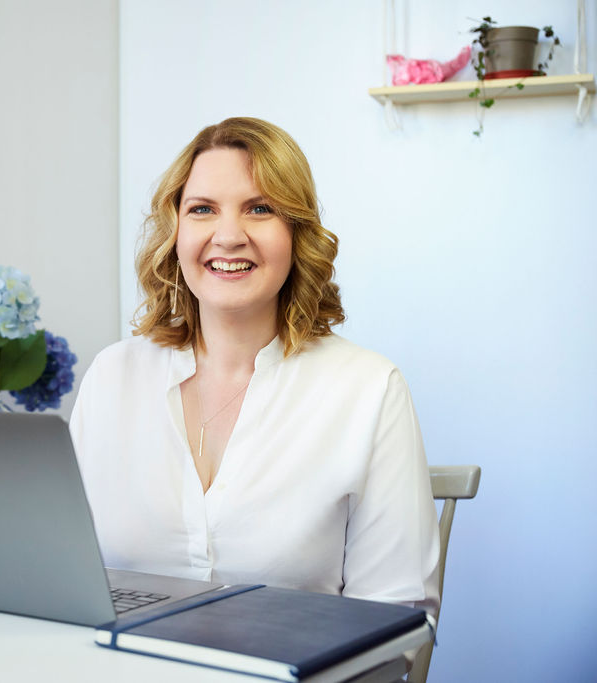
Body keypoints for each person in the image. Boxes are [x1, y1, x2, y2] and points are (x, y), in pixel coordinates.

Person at [69, 117, 439, 617]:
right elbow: (63, 576)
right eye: (202, 209)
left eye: (260, 208)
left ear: (297, 232)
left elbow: (396, 617)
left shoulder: (369, 389)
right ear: (175, 232)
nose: (228, 236)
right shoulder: (112, 376)